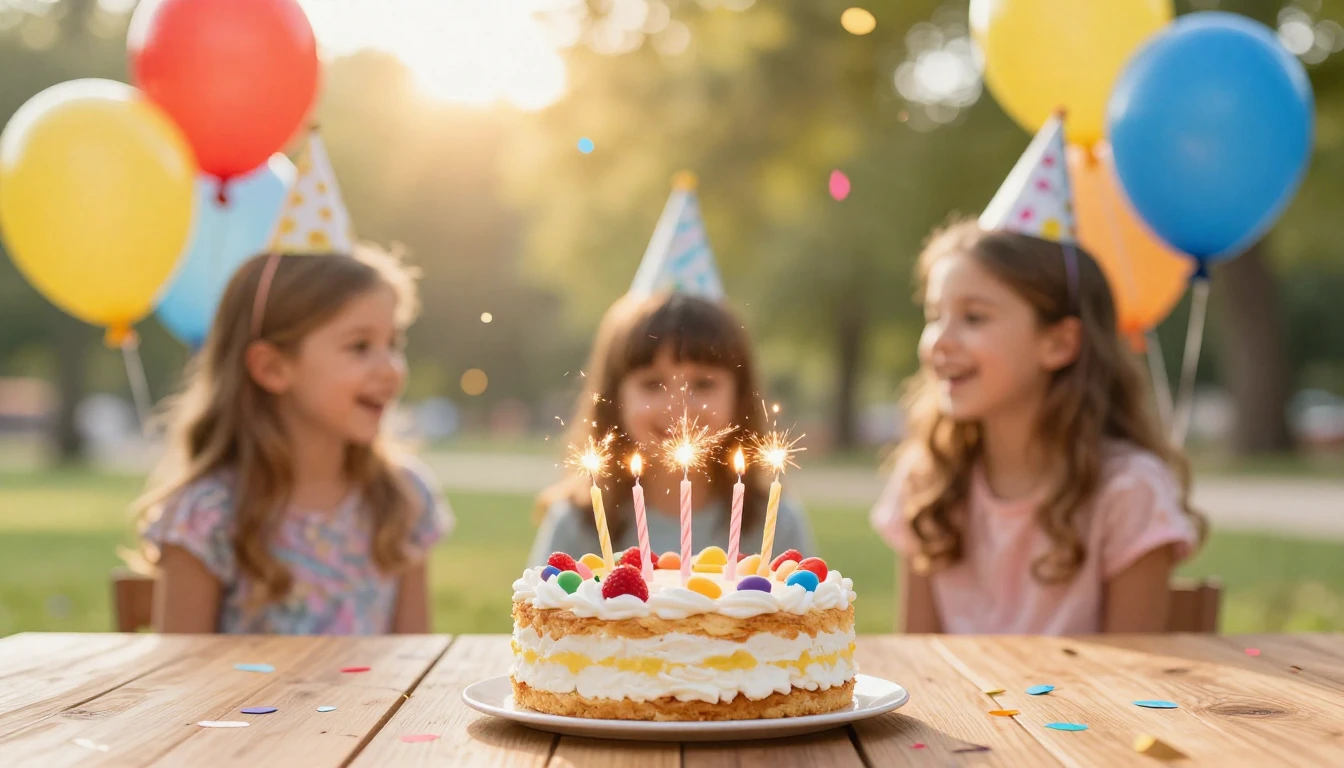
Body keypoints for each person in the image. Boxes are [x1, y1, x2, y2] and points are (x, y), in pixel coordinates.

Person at [869, 219, 1205, 634]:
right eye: (935, 315)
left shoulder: (1129, 492)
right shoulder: (927, 481)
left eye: (973, 318)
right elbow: (919, 664)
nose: (939, 340)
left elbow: (1136, 686)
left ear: (1060, 343)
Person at [134, 246, 452, 634]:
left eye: (394, 344)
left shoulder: (402, 499)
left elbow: (414, 666)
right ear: (272, 367)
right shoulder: (205, 515)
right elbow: (179, 681)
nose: (390, 369)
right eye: (360, 346)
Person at [529, 291, 816, 568]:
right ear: (614, 398)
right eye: (653, 383)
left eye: (703, 384)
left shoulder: (775, 521)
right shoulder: (578, 522)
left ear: (740, 397)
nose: (678, 407)